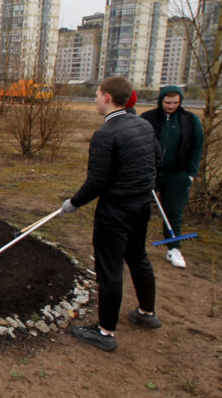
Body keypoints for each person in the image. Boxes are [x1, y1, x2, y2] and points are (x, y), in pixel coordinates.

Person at [60, 76, 162, 352]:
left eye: (96, 94)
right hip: (141, 205)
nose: (94, 98)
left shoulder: (106, 134)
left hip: (116, 210)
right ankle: (147, 313)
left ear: (107, 97)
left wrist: (73, 203)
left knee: (110, 267)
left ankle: (105, 331)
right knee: (138, 255)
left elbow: (97, 181)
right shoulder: (143, 125)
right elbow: (157, 159)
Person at [140, 85, 204, 269]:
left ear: (180, 101)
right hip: (149, 172)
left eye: (175, 103)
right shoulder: (148, 118)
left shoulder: (189, 120)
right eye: (167, 102)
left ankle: (174, 248)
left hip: (177, 175)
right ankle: (134, 246)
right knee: (138, 210)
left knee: (174, 213)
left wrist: (191, 174)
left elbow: (197, 146)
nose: (171, 106)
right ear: (161, 100)